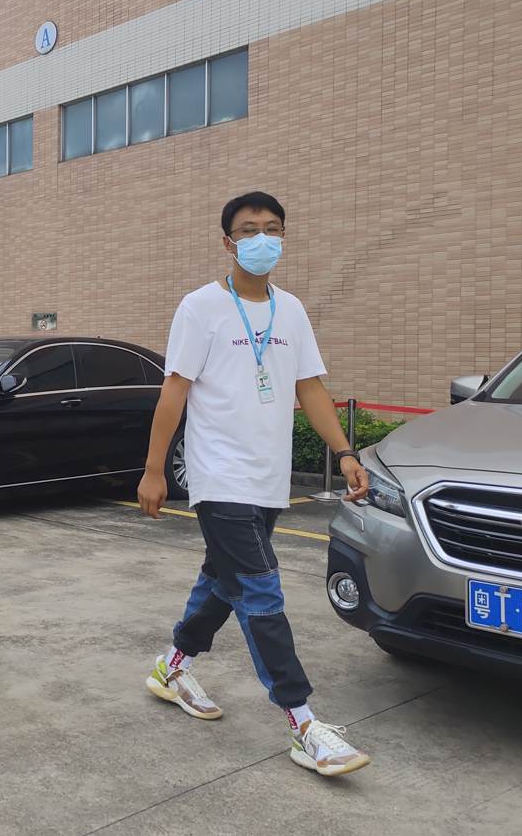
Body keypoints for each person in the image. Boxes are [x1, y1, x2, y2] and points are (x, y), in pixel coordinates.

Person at [137, 192, 372, 777]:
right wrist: (154, 469)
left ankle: (171, 669)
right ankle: (303, 723)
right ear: (228, 242)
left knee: (224, 581)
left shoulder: (291, 310)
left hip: (269, 478)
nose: (261, 238)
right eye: (248, 230)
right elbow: (174, 389)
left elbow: (310, 387)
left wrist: (344, 452)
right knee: (262, 591)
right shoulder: (201, 307)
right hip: (219, 476)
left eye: (272, 229)